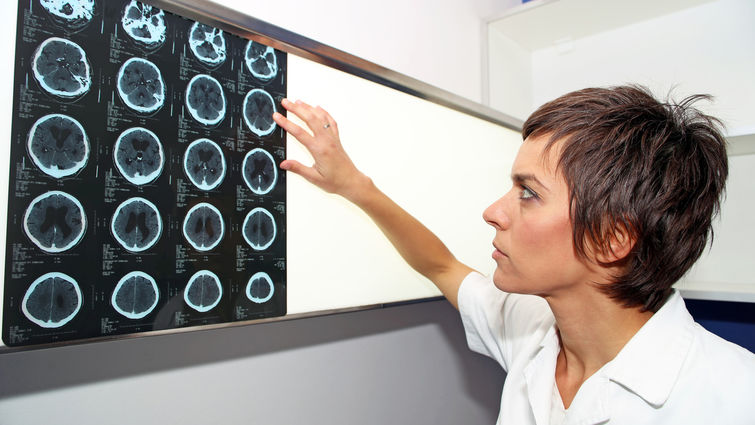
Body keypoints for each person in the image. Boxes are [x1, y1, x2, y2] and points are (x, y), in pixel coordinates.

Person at [271, 85, 755, 425]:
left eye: (528, 193)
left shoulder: (734, 399)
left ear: (611, 238)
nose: (492, 212)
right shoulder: (531, 326)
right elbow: (441, 265)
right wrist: (355, 187)